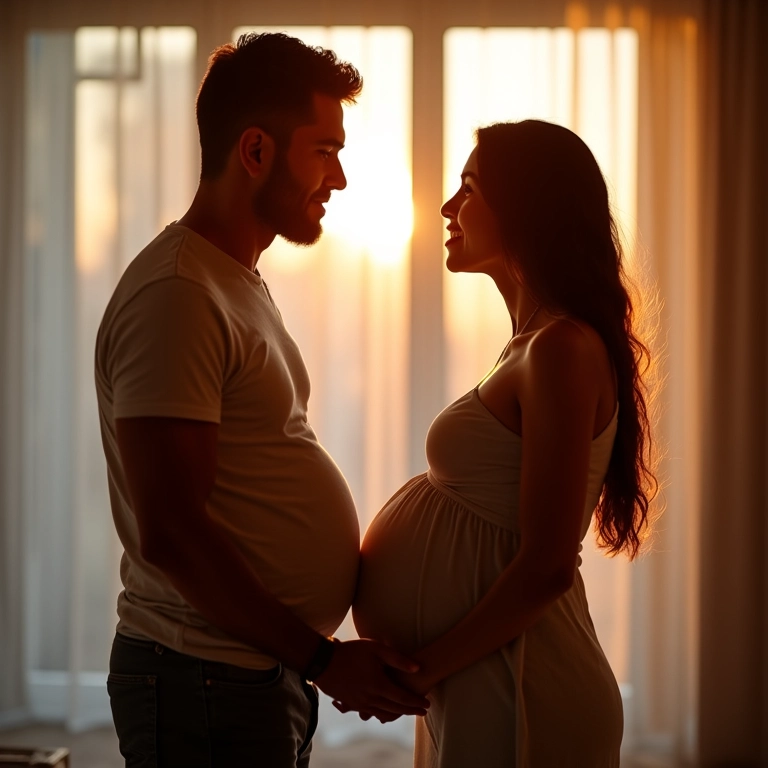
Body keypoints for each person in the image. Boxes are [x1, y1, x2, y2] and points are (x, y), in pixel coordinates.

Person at [95, 32, 428, 768]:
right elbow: (174, 532)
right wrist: (323, 658)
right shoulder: (179, 294)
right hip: (202, 681)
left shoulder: (230, 279)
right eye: (324, 150)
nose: (337, 179)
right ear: (254, 152)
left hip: (241, 674)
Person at [351, 120, 658, 767]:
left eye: (469, 187)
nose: (446, 207)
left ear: (528, 206)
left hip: (526, 684)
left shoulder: (561, 349)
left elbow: (548, 563)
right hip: (478, 677)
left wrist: (420, 670)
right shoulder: (529, 345)